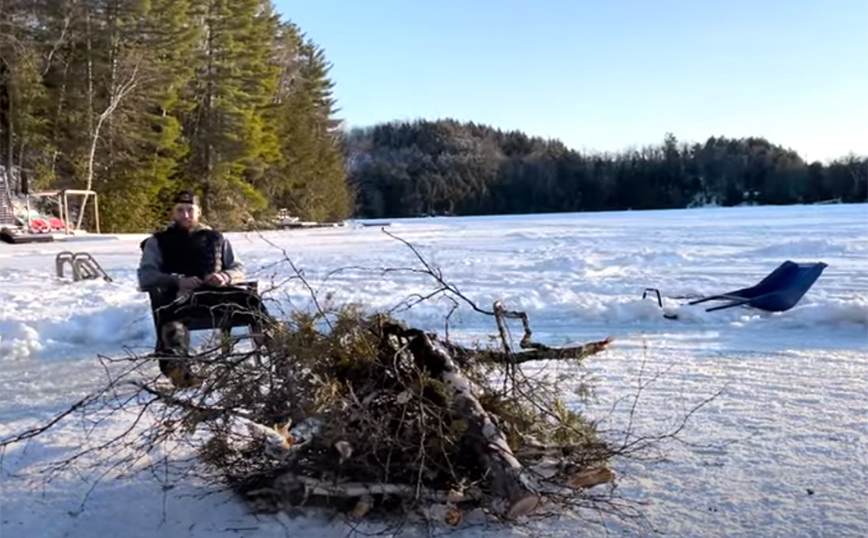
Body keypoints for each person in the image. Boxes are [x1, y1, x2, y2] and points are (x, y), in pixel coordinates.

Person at [137, 191, 274, 387]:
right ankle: (179, 372)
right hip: (179, 299)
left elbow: (238, 268)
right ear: (173, 213)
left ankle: (276, 348)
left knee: (249, 299)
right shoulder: (157, 241)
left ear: (198, 212)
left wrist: (224, 276)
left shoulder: (216, 238)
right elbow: (146, 276)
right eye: (180, 210)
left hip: (214, 294)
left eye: (190, 210)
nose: (185, 215)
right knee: (172, 325)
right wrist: (176, 281)